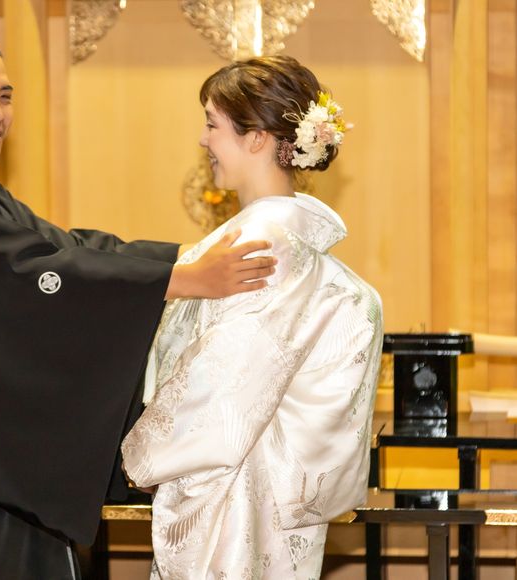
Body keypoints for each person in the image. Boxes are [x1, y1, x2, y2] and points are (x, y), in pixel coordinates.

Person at [0, 31, 277, 580]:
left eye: (5, 95)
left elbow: (70, 248)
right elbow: (31, 272)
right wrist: (179, 279)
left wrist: (187, 256)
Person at [122, 55, 384, 579]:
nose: (203, 140)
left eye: (212, 124)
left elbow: (225, 380)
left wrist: (143, 453)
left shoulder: (263, 243)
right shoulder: (281, 237)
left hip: (233, 490)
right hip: (255, 482)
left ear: (258, 138)